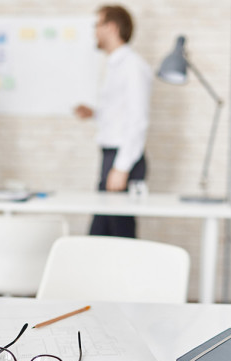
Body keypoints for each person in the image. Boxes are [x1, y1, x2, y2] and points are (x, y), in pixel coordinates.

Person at [74, 5, 153, 238]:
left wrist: (121, 167)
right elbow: (122, 113)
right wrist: (96, 113)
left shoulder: (133, 66)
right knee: (102, 232)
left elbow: (138, 120)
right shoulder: (115, 65)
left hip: (123, 158)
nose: (94, 32)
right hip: (113, 156)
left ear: (112, 27)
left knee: (117, 235)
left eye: (97, 25)